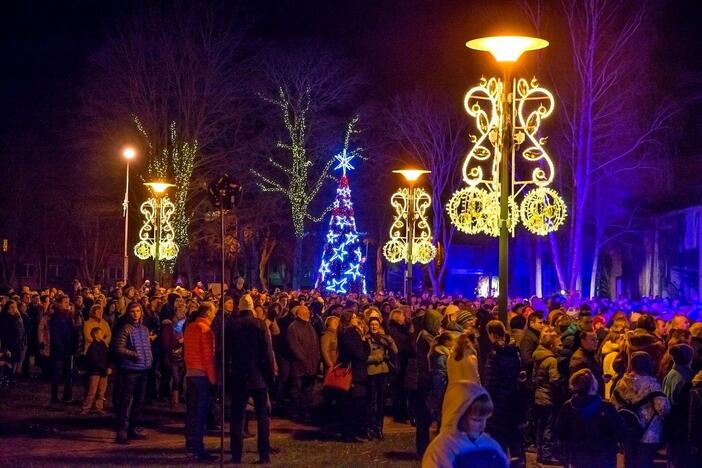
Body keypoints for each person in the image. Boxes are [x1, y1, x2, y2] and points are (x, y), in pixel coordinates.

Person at [226, 293, 275, 464]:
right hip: (258, 376)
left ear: (239, 307)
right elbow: (267, 353)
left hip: (238, 376)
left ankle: (236, 455)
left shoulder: (231, 326)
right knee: (263, 417)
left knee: (237, 417)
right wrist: (269, 377)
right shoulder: (260, 325)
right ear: (252, 308)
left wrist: (226, 375)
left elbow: (225, 353)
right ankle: (264, 454)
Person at [421, 381, 509, 468]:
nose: (483, 425)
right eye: (476, 420)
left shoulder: (489, 444)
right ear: (459, 416)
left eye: (485, 419)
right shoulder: (441, 450)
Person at [555, 369, 625, 468]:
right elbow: (619, 431)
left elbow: (560, 433)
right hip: (603, 457)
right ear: (594, 385)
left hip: (577, 457)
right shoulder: (606, 407)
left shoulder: (568, 406)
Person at [612, 351, 670, 468]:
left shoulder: (621, 383)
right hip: (648, 433)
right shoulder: (652, 385)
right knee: (645, 463)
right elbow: (663, 408)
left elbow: (614, 404)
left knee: (629, 461)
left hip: (628, 430)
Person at [483, 320, 525, 467]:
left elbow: (491, 381)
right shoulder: (514, 349)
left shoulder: (495, 354)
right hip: (514, 399)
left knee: (498, 439)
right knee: (515, 441)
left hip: (499, 403)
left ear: (492, 334)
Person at [113, 302, 154, 444]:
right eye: (133, 311)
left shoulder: (144, 329)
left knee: (139, 401)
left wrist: (148, 358)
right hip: (131, 369)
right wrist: (134, 354)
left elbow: (146, 346)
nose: (136, 314)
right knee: (126, 401)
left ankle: (133, 428)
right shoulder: (126, 329)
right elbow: (118, 348)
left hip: (143, 369)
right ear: (128, 313)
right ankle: (122, 431)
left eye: (138, 311)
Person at [183, 301, 217, 461]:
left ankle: (190, 443)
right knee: (201, 413)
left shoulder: (190, 328)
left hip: (190, 373)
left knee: (192, 411)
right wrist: (213, 379)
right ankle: (198, 448)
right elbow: (208, 357)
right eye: (214, 311)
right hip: (202, 375)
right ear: (208, 313)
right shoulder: (206, 330)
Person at [337, 309, 370, 442]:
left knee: (349, 404)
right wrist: (364, 341)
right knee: (354, 404)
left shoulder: (343, 332)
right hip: (354, 373)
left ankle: (349, 432)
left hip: (351, 371)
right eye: (354, 317)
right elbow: (359, 354)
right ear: (349, 320)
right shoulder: (350, 333)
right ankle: (351, 433)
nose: (357, 319)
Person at [532, 328, 563, 465]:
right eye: (558, 344)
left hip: (538, 396)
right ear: (551, 346)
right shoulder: (552, 360)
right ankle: (547, 454)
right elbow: (554, 380)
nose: (559, 347)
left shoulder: (537, 357)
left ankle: (539, 453)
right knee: (549, 427)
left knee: (540, 426)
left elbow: (534, 378)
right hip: (548, 397)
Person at [286, 304, 320, 423]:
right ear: (298, 314)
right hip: (299, 366)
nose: (308, 315)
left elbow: (315, 345)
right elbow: (294, 347)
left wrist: (315, 360)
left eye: (308, 313)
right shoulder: (293, 327)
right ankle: (296, 413)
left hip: (311, 365)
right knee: (296, 390)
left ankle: (306, 412)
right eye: (305, 313)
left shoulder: (309, 326)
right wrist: (305, 361)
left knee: (308, 392)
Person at [662, 344, 694, 468]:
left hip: (669, 419)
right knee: (680, 456)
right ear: (689, 358)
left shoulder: (670, 373)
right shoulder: (685, 377)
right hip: (680, 422)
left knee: (672, 454)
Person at [366, 316, 397, 439]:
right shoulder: (366, 339)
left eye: (376, 324)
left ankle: (379, 427)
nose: (374, 327)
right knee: (371, 401)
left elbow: (395, 350)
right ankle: (370, 426)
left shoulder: (383, 338)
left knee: (381, 401)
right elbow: (364, 356)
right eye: (372, 324)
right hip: (371, 372)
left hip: (383, 372)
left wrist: (389, 341)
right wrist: (377, 358)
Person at [49, 295, 76, 403]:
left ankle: (67, 396)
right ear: (59, 303)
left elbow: (71, 332)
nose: (67, 304)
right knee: (57, 374)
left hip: (68, 349)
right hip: (59, 350)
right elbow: (56, 335)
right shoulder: (55, 316)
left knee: (68, 373)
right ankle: (54, 397)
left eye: (68, 302)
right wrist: (61, 348)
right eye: (65, 302)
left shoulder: (68, 315)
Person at [81, 327, 111, 415]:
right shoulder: (93, 347)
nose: (102, 335)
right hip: (95, 372)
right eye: (100, 333)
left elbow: (108, 357)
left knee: (101, 392)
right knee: (92, 391)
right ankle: (85, 409)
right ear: (95, 335)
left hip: (103, 371)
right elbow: (94, 360)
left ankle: (99, 408)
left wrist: (109, 367)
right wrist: (105, 368)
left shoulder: (104, 345)